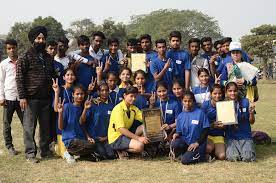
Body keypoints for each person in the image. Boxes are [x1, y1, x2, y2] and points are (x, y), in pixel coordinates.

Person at [16, 26, 55, 163]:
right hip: (30, 98)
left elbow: (52, 75)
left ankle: (44, 151)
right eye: (38, 38)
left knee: (45, 127)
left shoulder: (48, 57)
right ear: (33, 40)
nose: (41, 40)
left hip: (46, 98)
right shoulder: (25, 56)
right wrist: (22, 97)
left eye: (43, 38)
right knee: (29, 127)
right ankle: (30, 154)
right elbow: (19, 78)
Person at [57, 84, 98, 161]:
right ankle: (69, 153)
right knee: (92, 146)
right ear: (73, 95)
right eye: (77, 94)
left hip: (81, 139)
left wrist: (88, 137)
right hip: (71, 140)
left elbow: (82, 123)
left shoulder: (84, 107)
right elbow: (61, 127)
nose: (79, 96)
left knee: (95, 148)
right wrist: (60, 113)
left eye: (81, 94)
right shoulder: (67, 106)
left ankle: (79, 156)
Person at [108, 86, 149, 159]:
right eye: (131, 96)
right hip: (116, 138)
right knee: (140, 146)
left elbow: (145, 118)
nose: (134, 99)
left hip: (126, 135)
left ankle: (131, 147)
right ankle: (119, 150)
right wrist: (138, 138)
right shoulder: (118, 109)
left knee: (145, 126)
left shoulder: (133, 108)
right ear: (124, 95)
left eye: (135, 97)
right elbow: (121, 129)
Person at [171, 91, 210, 165]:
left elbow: (206, 130)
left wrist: (197, 143)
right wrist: (176, 134)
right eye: (185, 101)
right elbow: (179, 132)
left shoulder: (200, 113)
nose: (187, 103)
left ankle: (202, 156)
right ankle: (186, 153)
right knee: (174, 144)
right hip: (186, 142)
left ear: (193, 101)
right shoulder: (180, 116)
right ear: (182, 101)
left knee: (184, 161)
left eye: (189, 101)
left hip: (198, 144)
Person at [80, 82, 116, 160]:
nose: (104, 92)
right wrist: (88, 136)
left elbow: (114, 125)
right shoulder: (92, 104)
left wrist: (106, 137)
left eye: (106, 90)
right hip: (94, 138)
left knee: (111, 155)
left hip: (106, 138)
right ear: (98, 92)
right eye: (102, 90)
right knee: (102, 154)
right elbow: (82, 122)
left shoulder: (112, 106)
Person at [0, 39, 23, 155]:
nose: (12, 50)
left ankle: (30, 145)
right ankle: (9, 146)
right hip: (8, 98)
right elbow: (1, 81)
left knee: (27, 123)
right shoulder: (3, 64)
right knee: (7, 124)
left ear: (17, 48)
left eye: (13, 48)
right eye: (9, 48)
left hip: (21, 98)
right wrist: (1, 97)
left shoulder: (23, 61)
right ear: (6, 50)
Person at [224, 82, 256, 162]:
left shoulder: (246, 102)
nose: (232, 93)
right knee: (233, 158)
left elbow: (252, 122)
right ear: (226, 92)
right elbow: (223, 125)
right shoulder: (223, 105)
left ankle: (247, 149)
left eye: (234, 91)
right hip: (231, 137)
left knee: (247, 158)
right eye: (230, 91)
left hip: (245, 136)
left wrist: (251, 113)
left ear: (238, 91)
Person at [52, 68, 76, 163]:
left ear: (75, 77)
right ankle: (55, 147)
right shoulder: (60, 89)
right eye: (68, 75)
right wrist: (57, 92)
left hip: (73, 124)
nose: (70, 77)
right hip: (62, 125)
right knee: (63, 152)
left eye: (72, 75)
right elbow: (55, 109)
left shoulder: (76, 90)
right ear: (64, 77)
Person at [201, 84, 225, 160]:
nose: (217, 96)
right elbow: (201, 123)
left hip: (219, 135)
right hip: (208, 135)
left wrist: (225, 126)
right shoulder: (205, 105)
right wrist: (211, 125)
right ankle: (209, 151)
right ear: (211, 94)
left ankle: (214, 152)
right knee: (208, 148)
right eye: (215, 93)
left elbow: (228, 123)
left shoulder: (225, 105)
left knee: (222, 156)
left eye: (220, 93)